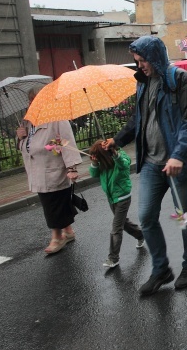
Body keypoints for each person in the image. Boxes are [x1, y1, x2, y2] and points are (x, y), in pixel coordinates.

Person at [104, 35, 187, 296]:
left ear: (155, 56)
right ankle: (161, 269)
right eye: (137, 61)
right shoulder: (143, 83)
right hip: (150, 163)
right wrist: (117, 140)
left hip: (177, 164)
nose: (140, 66)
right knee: (147, 217)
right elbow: (138, 119)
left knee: (183, 216)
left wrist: (179, 155)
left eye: (143, 60)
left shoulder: (178, 79)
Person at [16, 86, 82, 254]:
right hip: (37, 171)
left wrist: (71, 167)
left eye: (35, 100)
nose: (32, 103)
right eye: (30, 101)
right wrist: (21, 137)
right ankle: (68, 231)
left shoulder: (57, 118)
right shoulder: (28, 122)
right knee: (56, 203)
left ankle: (57, 237)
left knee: (53, 205)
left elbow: (66, 142)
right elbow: (27, 147)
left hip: (54, 171)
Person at [88, 140, 145, 269]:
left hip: (122, 198)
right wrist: (94, 162)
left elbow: (124, 164)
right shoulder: (103, 162)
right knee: (123, 223)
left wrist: (114, 154)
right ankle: (141, 235)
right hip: (111, 197)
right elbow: (94, 174)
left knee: (116, 228)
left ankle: (113, 258)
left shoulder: (120, 157)